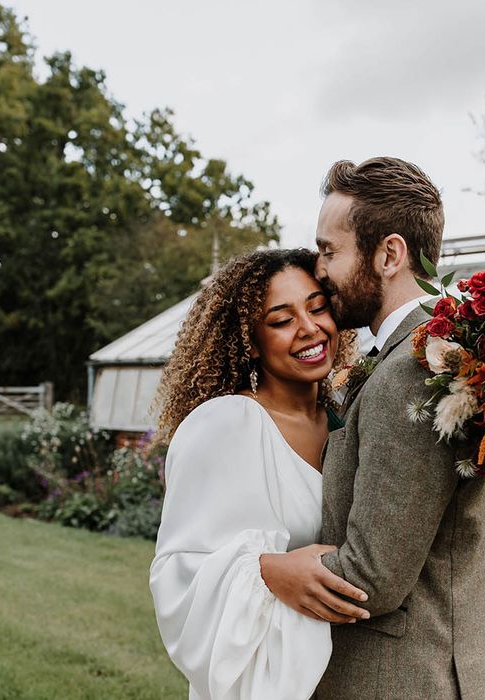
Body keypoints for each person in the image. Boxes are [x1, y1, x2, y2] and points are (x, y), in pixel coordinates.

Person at [259, 158, 485, 699]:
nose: (318, 270)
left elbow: (371, 578)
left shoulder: (413, 369)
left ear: (389, 254)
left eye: (329, 251)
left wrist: (265, 569)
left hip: (405, 681)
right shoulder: (433, 353)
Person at [148, 248, 370, 700]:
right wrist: (267, 571)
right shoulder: (225, 424)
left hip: (346, 674)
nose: (309, 329)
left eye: (317, 307)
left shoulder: (348, 419)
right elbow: (175, 570)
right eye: (281, 319)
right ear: (250, 340)